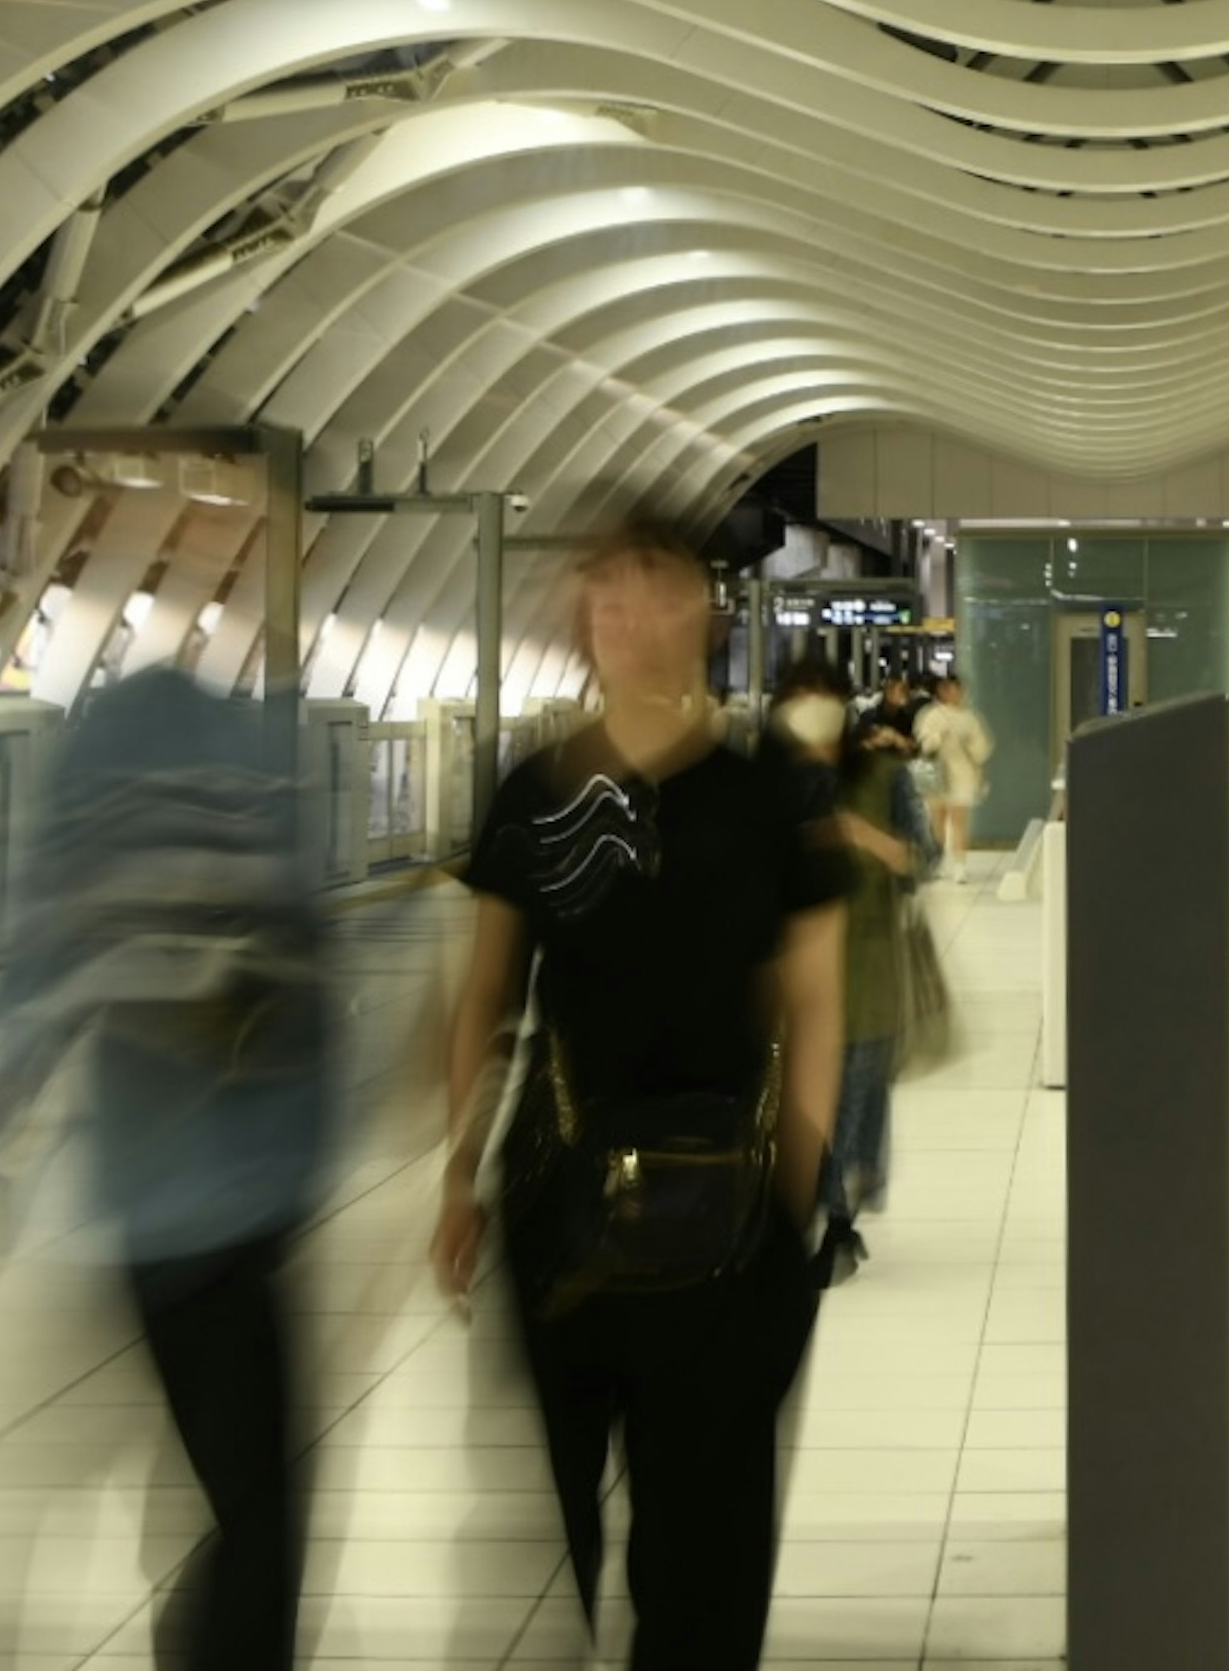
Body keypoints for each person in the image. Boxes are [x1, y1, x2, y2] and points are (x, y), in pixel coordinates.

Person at [433, 524, 847, 1669]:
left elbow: (816, 995)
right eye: (604, 600)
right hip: (557, 1196)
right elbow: (483, 998)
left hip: (729, 1205)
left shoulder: (768, 790)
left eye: (652, 595)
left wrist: (796, 1176)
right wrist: (458, 1175)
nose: (626, 621)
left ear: (703, 613)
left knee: (706, 1523)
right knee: (557, 1495)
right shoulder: (535, 791)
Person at [0, 666, 328, 1668]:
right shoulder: (165, 742)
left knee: (247, 1496)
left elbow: (45, 968)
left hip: (197, 1191)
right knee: (259, 1508)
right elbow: (59, 962)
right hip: (195, 1196)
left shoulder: (201, 740)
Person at [776, 657, 919, 1286]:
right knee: (803, 1104)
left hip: (865, 965)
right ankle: (827, 1221)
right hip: (788, 971)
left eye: (821, 698)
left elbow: (923, 856)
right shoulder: (761, 784)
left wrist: (868, 839)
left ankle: (837, 1215)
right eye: (797, 698)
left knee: (856, 1104)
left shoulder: (883, 777)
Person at [913, 669, 992, 883]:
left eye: (956, 688)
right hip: (937, 775)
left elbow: (982, 748)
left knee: (959, 820)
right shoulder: (931, 715)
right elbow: (924, 743)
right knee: (938, 820)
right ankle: (939, 862)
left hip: (963, 774)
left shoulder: (970, 718)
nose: (953, 693)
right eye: (947, 688)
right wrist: (938, 737)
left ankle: (960, 865)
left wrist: (970, 746)